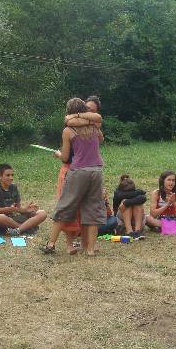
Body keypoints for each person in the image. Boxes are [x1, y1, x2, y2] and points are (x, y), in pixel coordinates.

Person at [42, 98, 106, 257]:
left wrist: (58, 154)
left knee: (65, 205)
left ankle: (51, 244)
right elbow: (101, 138)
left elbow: (65, 157)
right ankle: (90, 249)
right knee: (93, 209)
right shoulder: (94, 126)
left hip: (78, 171)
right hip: (97, 170)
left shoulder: (68, 130)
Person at [0, 163, 47, 235]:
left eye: (12, 175)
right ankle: (26, 228)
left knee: (42, 213)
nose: (11, 178)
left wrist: (26, 210)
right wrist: (9, 209)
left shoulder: (14, 187)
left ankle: (18, 230)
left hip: (13, 217)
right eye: (8, 175)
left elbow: (18, 208)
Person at [113, 175, 147, 239]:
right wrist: (126, 203)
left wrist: (126, 203)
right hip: (122, 221)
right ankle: (129, 231)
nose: (129, 195)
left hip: (136, 221)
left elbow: (143, 198)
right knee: (126, 203)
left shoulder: (137, 192)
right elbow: (115, 210)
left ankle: (138, 231)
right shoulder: (118, 193)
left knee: (138, 204)